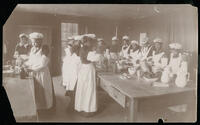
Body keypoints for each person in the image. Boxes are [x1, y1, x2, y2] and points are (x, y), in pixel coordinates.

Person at [23, 32, 55, 112]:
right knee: (37, 91)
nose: (33, 44)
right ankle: (38, 107)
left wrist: (32, 69)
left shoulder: (45, 48)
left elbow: (43, 63)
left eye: (35, 42)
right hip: (34, 72)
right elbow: (31, 60)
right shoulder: (33, 49)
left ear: (40, 41)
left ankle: (46, 108)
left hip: (42, 73)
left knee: (44, 90)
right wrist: (25, 64)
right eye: (32, 42)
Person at [75, 36, 97, 117]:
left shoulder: (82, 48)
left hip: (83, 69)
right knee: (89, 89)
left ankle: (81, 107)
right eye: (90, 41)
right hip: (88, 69)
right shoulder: (88, 49)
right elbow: (95, 58)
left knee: (83, 88)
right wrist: (96, 52)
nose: (91, 43)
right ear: (86, 42)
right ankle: (88, 109)